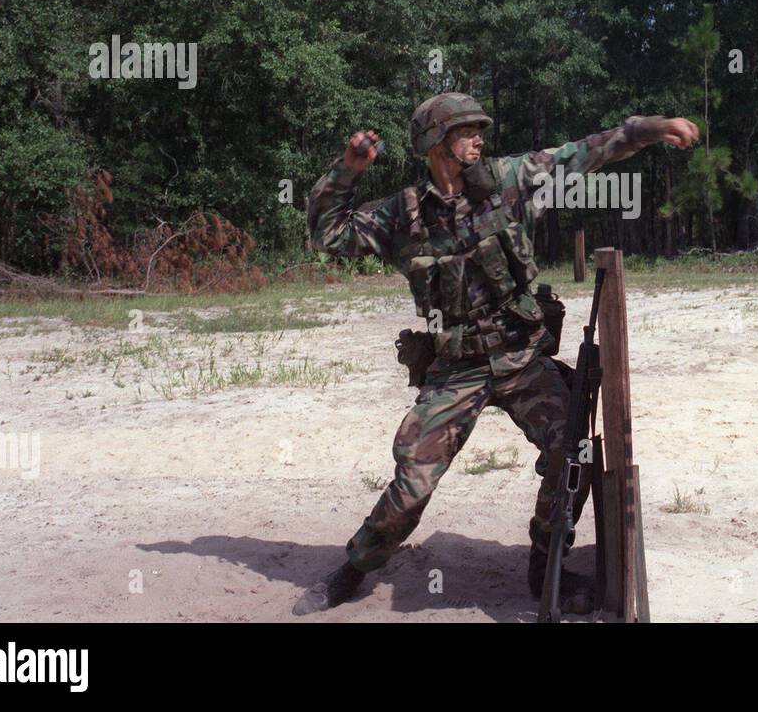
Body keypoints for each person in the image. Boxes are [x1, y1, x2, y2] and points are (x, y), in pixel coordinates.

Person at [294, 92, 699, 615]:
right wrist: (347, 171)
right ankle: (356, 566)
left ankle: (544, 564)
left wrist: (646, 129)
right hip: (456, 369)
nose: (478, 139)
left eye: (478, 129)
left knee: (569, 450)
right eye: (465, 131)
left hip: (522, 358)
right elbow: (326, 233)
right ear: (434, 143)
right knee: (412, 483)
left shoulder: (508, 180)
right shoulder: (402, 215)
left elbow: (585, 152)